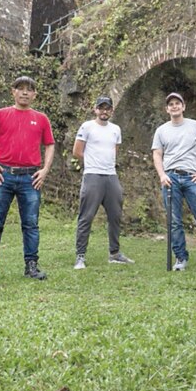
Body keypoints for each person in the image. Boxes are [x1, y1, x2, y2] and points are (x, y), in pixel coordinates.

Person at [0, 75, 55, 280]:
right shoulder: (0, 115)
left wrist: (45, 169)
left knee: (31, 223)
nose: (25, 92)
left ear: (35, 94)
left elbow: (50, 144)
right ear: (13, 91)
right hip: (2, 176)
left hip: (31, 177)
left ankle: (31, 266)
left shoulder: (41, 119)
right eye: (20, 88)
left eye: (29, 89)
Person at [152, 92, 196, 271]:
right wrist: (162, 175)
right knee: (174, 221)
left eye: (178, 103)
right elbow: (157, 154)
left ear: (183, 106)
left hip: (192, 177)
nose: (174, 106)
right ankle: (180, 258)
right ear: (167, 109)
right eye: (171, 104)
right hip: (171, 178)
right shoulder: (161, 130)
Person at [71, 96, 134, 269]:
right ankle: (80, 256)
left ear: (111, 111)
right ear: (95, 109)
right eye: (101, 108)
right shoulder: (87, 126)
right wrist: (93, 160)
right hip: (93, 175)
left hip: (111, 176)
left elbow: (114, 150)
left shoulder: (115, 129)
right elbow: (77, 151)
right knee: (86, 216)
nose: (104, 111)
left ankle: (114, 253)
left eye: (107, 108)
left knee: (115, 215)